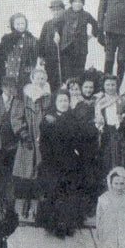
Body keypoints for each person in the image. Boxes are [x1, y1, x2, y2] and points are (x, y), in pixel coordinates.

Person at [36, 89, 99, 237]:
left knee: (70, 192)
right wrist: (48, 159)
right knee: (54, 191)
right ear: (55, 102)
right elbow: (43, 143)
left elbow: (83, 137)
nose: (63, 104)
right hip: (52, 162)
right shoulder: (48, 119)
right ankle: (52, 225)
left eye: (66, 101)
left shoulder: (73, 118)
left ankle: (68, 225)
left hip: (70, 162)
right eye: (60, 101)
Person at [11, 67, 51, 219]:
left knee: (40, 172)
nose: (40, 81)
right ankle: (24, 203)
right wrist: (23, 133)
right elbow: (16, 117)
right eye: (37, 78)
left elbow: (49, 115)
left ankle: (36, 207)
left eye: (43, 78)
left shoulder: (48, 96)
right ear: (32, 79)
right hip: (27, 140)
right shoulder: (25, 95)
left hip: (42, 139)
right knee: (26, 173)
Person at [95, 74, 125, 177]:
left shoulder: (123, 100)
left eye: (113, 85)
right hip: (107, 134)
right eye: (107, 85)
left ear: (117, 86)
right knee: (109, 159)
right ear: (103, 86)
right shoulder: (100, 102)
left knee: (123, 158)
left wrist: (123, 120)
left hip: (121, 133)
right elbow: (98, 120)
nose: (110, 87)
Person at [59, 0, 99, 83]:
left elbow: (96, 24)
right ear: (71, 3)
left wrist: (92, 35)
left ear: (83, 3)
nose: (77, 4)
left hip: (81, 49)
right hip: (67, 48)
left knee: (79, 72)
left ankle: (78, 91)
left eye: (80, 2)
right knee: (67, 72)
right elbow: (56, 25)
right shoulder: (65, 14)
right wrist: (57, 34)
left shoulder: (86, 15)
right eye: (75, 1)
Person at [0, 13, 39, 90]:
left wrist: (30, 66)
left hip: (25, 73)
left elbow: (35, 56)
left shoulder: (31, 39)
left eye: (22, 23)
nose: (20, 26)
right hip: (11, 71)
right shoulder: (7, 39)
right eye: (18, 24)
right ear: (13, 25)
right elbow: (2, 55)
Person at [38, 0, 67, 91]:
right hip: (50, 59)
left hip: (64, 59)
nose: (56, 12)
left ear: (63, 10)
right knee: (51, 82)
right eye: (54, 10)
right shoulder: (47, 24)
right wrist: (42, 57)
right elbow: (41, 41)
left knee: (63, 81)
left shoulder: (67, 23)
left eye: (58, 9)